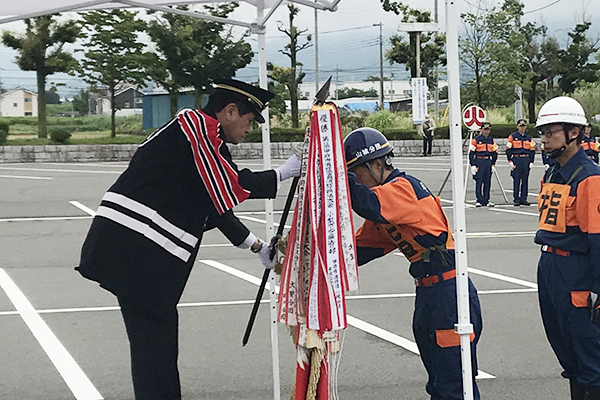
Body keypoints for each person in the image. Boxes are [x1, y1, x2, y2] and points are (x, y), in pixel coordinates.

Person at [76, 78, 301, 400]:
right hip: (133, 250)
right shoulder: (195, 125)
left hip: (136, 252)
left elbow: (213, 202)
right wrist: (281, 173)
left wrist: (255, 245)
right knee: (155, 344)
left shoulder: (203, 139)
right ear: (230, 111)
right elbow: (230, 185)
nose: (249, 129)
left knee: (157, 342)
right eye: (250, 120)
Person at [344, 127, 483, 400]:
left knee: (455, 385)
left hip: (450, 294)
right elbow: (357, 251)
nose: (356, 183)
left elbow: (364, 202)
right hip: (429, 295)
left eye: (356, 174)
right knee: (438, 384)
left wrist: (332, 173)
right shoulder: (388, 203)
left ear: (376, 165)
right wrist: (305, 257)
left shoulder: (403, 189)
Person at [534, 96, 600, 400]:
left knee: (589, 354)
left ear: (574, 133)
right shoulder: (552, 173)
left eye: (551, 132)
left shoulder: (589, 177)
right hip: (550, 267)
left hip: (575, 272)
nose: (544, 140)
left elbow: (597, 239)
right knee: (565, 351)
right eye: (543, 133)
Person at [506, 118, 536, 206]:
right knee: (517, 179)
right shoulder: (513, 137)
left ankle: (524, 198)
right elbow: (508, 149)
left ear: (525, 127)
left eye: (523, 126)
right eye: (520, 126)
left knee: (525, 180)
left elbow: (532, 150)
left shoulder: (528, 137)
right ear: (517, 126)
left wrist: (531, 161)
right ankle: (516, 198)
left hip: (525, 159)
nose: (522, 128)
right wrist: (510, 161)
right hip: (517, 159)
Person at [469, 121, 498, 207]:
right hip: (479, 161)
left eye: (488, 129)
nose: (486, 131)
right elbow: (471, 153)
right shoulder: (476, 140)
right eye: (485, 129)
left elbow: (495, 152)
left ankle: (486, 200)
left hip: (488, 161)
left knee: (487, 181)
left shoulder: (491, 140)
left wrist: (493, 164)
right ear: (481, 129)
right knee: (479, 181)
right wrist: (473, 165)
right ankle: (479, 200)